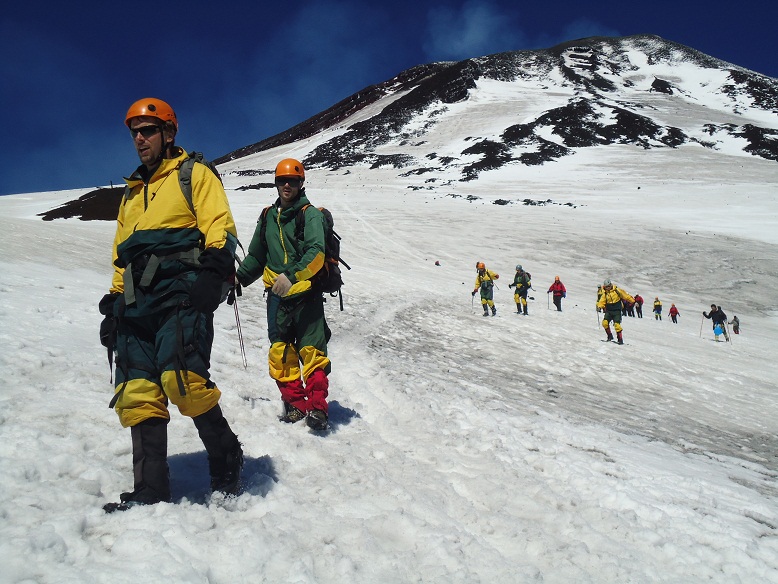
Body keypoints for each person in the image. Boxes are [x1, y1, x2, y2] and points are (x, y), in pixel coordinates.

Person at [98, 98, 243, 512]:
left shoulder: (192, 174)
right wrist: (113, 302)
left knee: (184, 379)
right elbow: (120, 254)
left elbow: (219, 224)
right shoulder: (131, 194)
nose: (139, 139)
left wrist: (214, 273)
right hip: (135, 300)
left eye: (148, 130)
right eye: (134, 132)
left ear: (169, 133)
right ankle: (150, 489)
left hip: (181, 291)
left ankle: (226, 453)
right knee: (136, 390)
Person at [237, 159, 332, 430]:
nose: (286, 185)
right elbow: (256, 255)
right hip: (277, 298)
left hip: (306, 295)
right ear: (276, 183)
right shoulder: (268, 215)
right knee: (281, 355)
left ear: (301, 183)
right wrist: (239, 279)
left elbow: (316, 253)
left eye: (292, 180)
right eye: (281, 180)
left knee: (312, 354)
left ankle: (317, 410)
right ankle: (296, 407)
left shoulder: (309, 214)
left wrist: (292, 276)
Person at [596, 279, 635, 344]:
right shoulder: (605, 293)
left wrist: (632, 301)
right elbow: (602, 300)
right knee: (605, 323)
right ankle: (610, 336)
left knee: (617, 325)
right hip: (609, 311)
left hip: (617, 311)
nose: (608, 287)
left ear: (611, 285)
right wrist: (599, 306)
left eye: (609, 286)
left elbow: (625, 295)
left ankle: (620, 339)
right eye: (606, 286)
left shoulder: (617, 290)